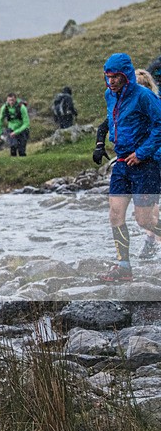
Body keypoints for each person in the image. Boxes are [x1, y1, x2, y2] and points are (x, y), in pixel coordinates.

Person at [97, 53, 161, 282]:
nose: (111, 81)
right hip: (122, 162)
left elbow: (159, 125)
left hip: (145, 164)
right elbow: (111, 122)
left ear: (126, 75)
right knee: (115, 214)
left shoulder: (144, 96)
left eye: (116, 76)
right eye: (108, 77)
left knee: (145, 220)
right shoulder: (109, 95)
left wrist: (142, 153)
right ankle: (124, 266)